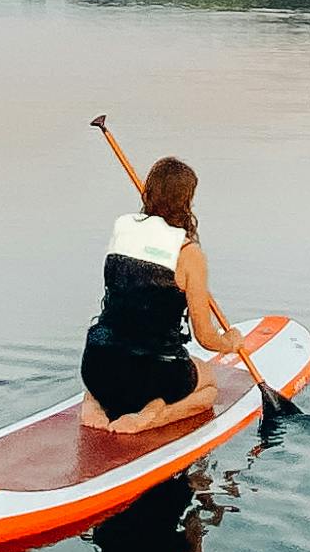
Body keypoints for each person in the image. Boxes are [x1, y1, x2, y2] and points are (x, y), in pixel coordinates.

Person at [82, 154, 248, 437]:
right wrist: (229, 343)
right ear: (187, 201)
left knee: (113, 362)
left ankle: (94, 405)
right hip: (153, 372)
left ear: (148, 192)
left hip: (96, 364)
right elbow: (205, 338)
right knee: (208, 388)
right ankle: (151, 416)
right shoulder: (188, 254)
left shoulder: (122, 229)